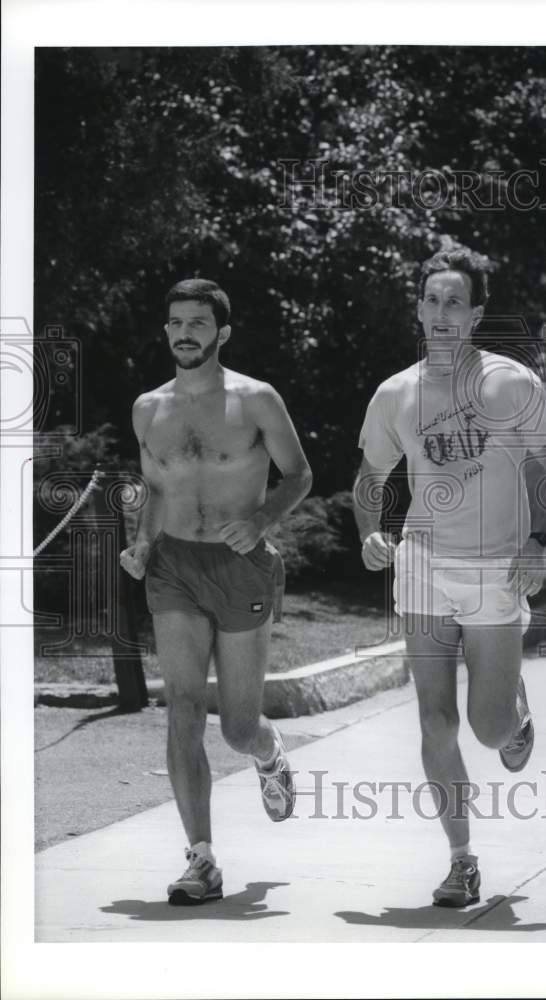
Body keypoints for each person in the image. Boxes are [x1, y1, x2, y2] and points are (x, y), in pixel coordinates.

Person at [353, 248, 546, 907]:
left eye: (456, 303)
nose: (442, 314)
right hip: (422, 564)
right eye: (432, 302)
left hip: (495, 570)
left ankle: (516, 714)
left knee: (488, 729)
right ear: (418, 309)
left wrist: (539, 541)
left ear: (475, 313)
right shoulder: (396, 393)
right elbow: (370, 477)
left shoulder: (511, 384)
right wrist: (370, 528)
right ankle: (461, 861)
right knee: (435, 721)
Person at [120, 278, 312, 905]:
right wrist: (143, 543)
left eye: (198, 323)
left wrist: (260, 521)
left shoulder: (256, 401)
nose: (184, 333)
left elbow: (300, 474)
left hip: (241, 566)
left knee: (234, 726)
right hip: (174, 566)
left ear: (221, 333)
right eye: (176, 322)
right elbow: (154, 490)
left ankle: (268, 749)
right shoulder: (149, 408)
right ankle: (200, 858)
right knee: (180, 706)